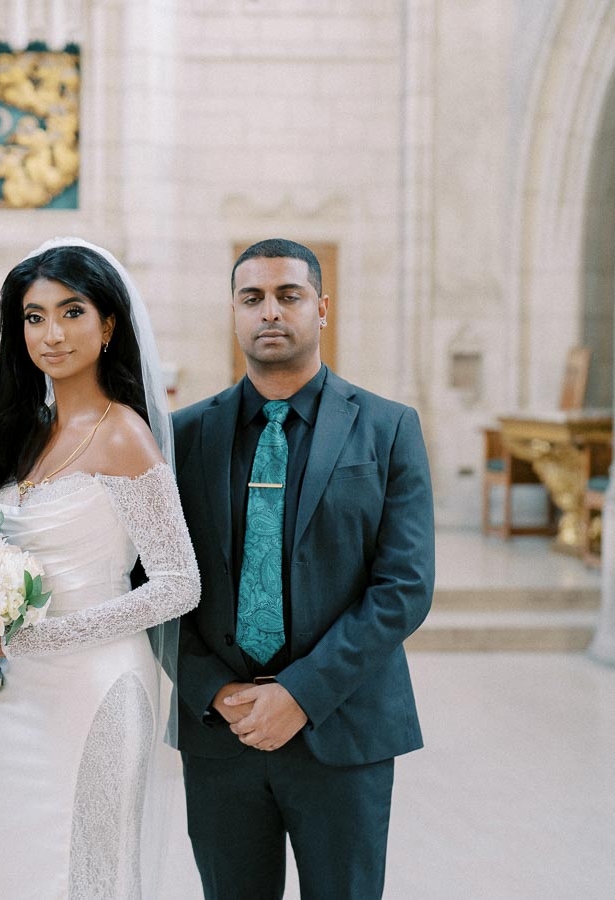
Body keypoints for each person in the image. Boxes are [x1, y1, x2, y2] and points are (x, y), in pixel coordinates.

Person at [172, 238, 434, 900]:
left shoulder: (387, 428)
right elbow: (157, 584)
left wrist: (300, 694)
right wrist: (213, 691)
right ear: (233, 312)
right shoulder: (182, 436)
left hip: (343, 729)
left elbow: (403, 588)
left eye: (288, 296)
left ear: (321, 309)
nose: (269, 312)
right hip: (221, 733)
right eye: (251, 298)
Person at [0, 238, 201, 898]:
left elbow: (180, 581)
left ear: (109, 326)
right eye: (34, 317)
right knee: (6, 857)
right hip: (17, 695)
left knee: (86, 866)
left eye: (71, 312)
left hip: (97, 686)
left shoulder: (123, 432)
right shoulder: (29, 432)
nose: (52, 333)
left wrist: (53, 636)